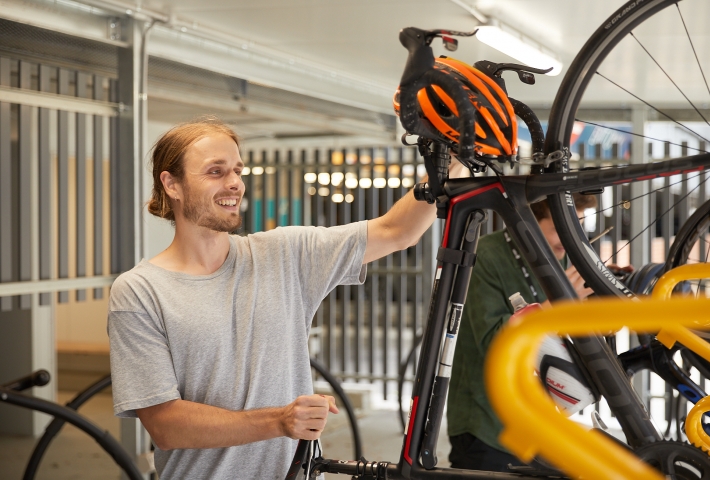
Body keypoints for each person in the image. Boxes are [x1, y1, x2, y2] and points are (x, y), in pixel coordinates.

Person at [107, 117, 459, 479]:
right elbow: (166, 426)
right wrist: (280, 420)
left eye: (237, 171)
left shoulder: (285, 255)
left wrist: (455, 158)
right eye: (215, 171)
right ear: (172, 184)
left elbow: (397, 230)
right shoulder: (139, 291)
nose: (234, 184)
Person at [446, 193, 599, 472]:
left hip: (538, 420)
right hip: (486, 424)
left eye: (579, 225)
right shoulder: (486, 256)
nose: (569, 237)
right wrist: (559, 306)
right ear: (528, 221)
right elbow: (494, 342)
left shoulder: (563, 258)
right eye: (560, 228)